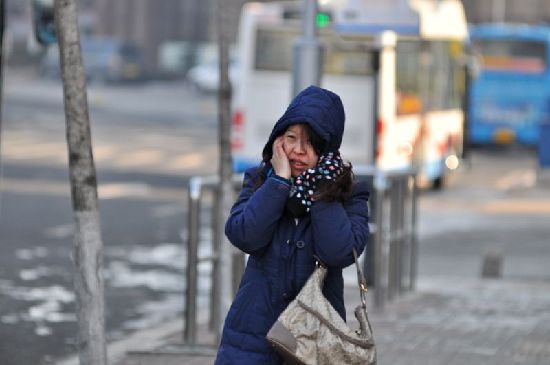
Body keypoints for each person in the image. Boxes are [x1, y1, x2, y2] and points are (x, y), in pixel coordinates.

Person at [214, 85, 370, 365]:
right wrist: (279, 181)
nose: (298, 151)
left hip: (316, 342)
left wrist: (324, 190)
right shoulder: (261, 180)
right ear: (277, 139)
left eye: (310, 143)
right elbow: (244, 235)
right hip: (252, 337)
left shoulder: (350, 194)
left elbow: (338, 252)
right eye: (291, 138)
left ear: (327, 148)